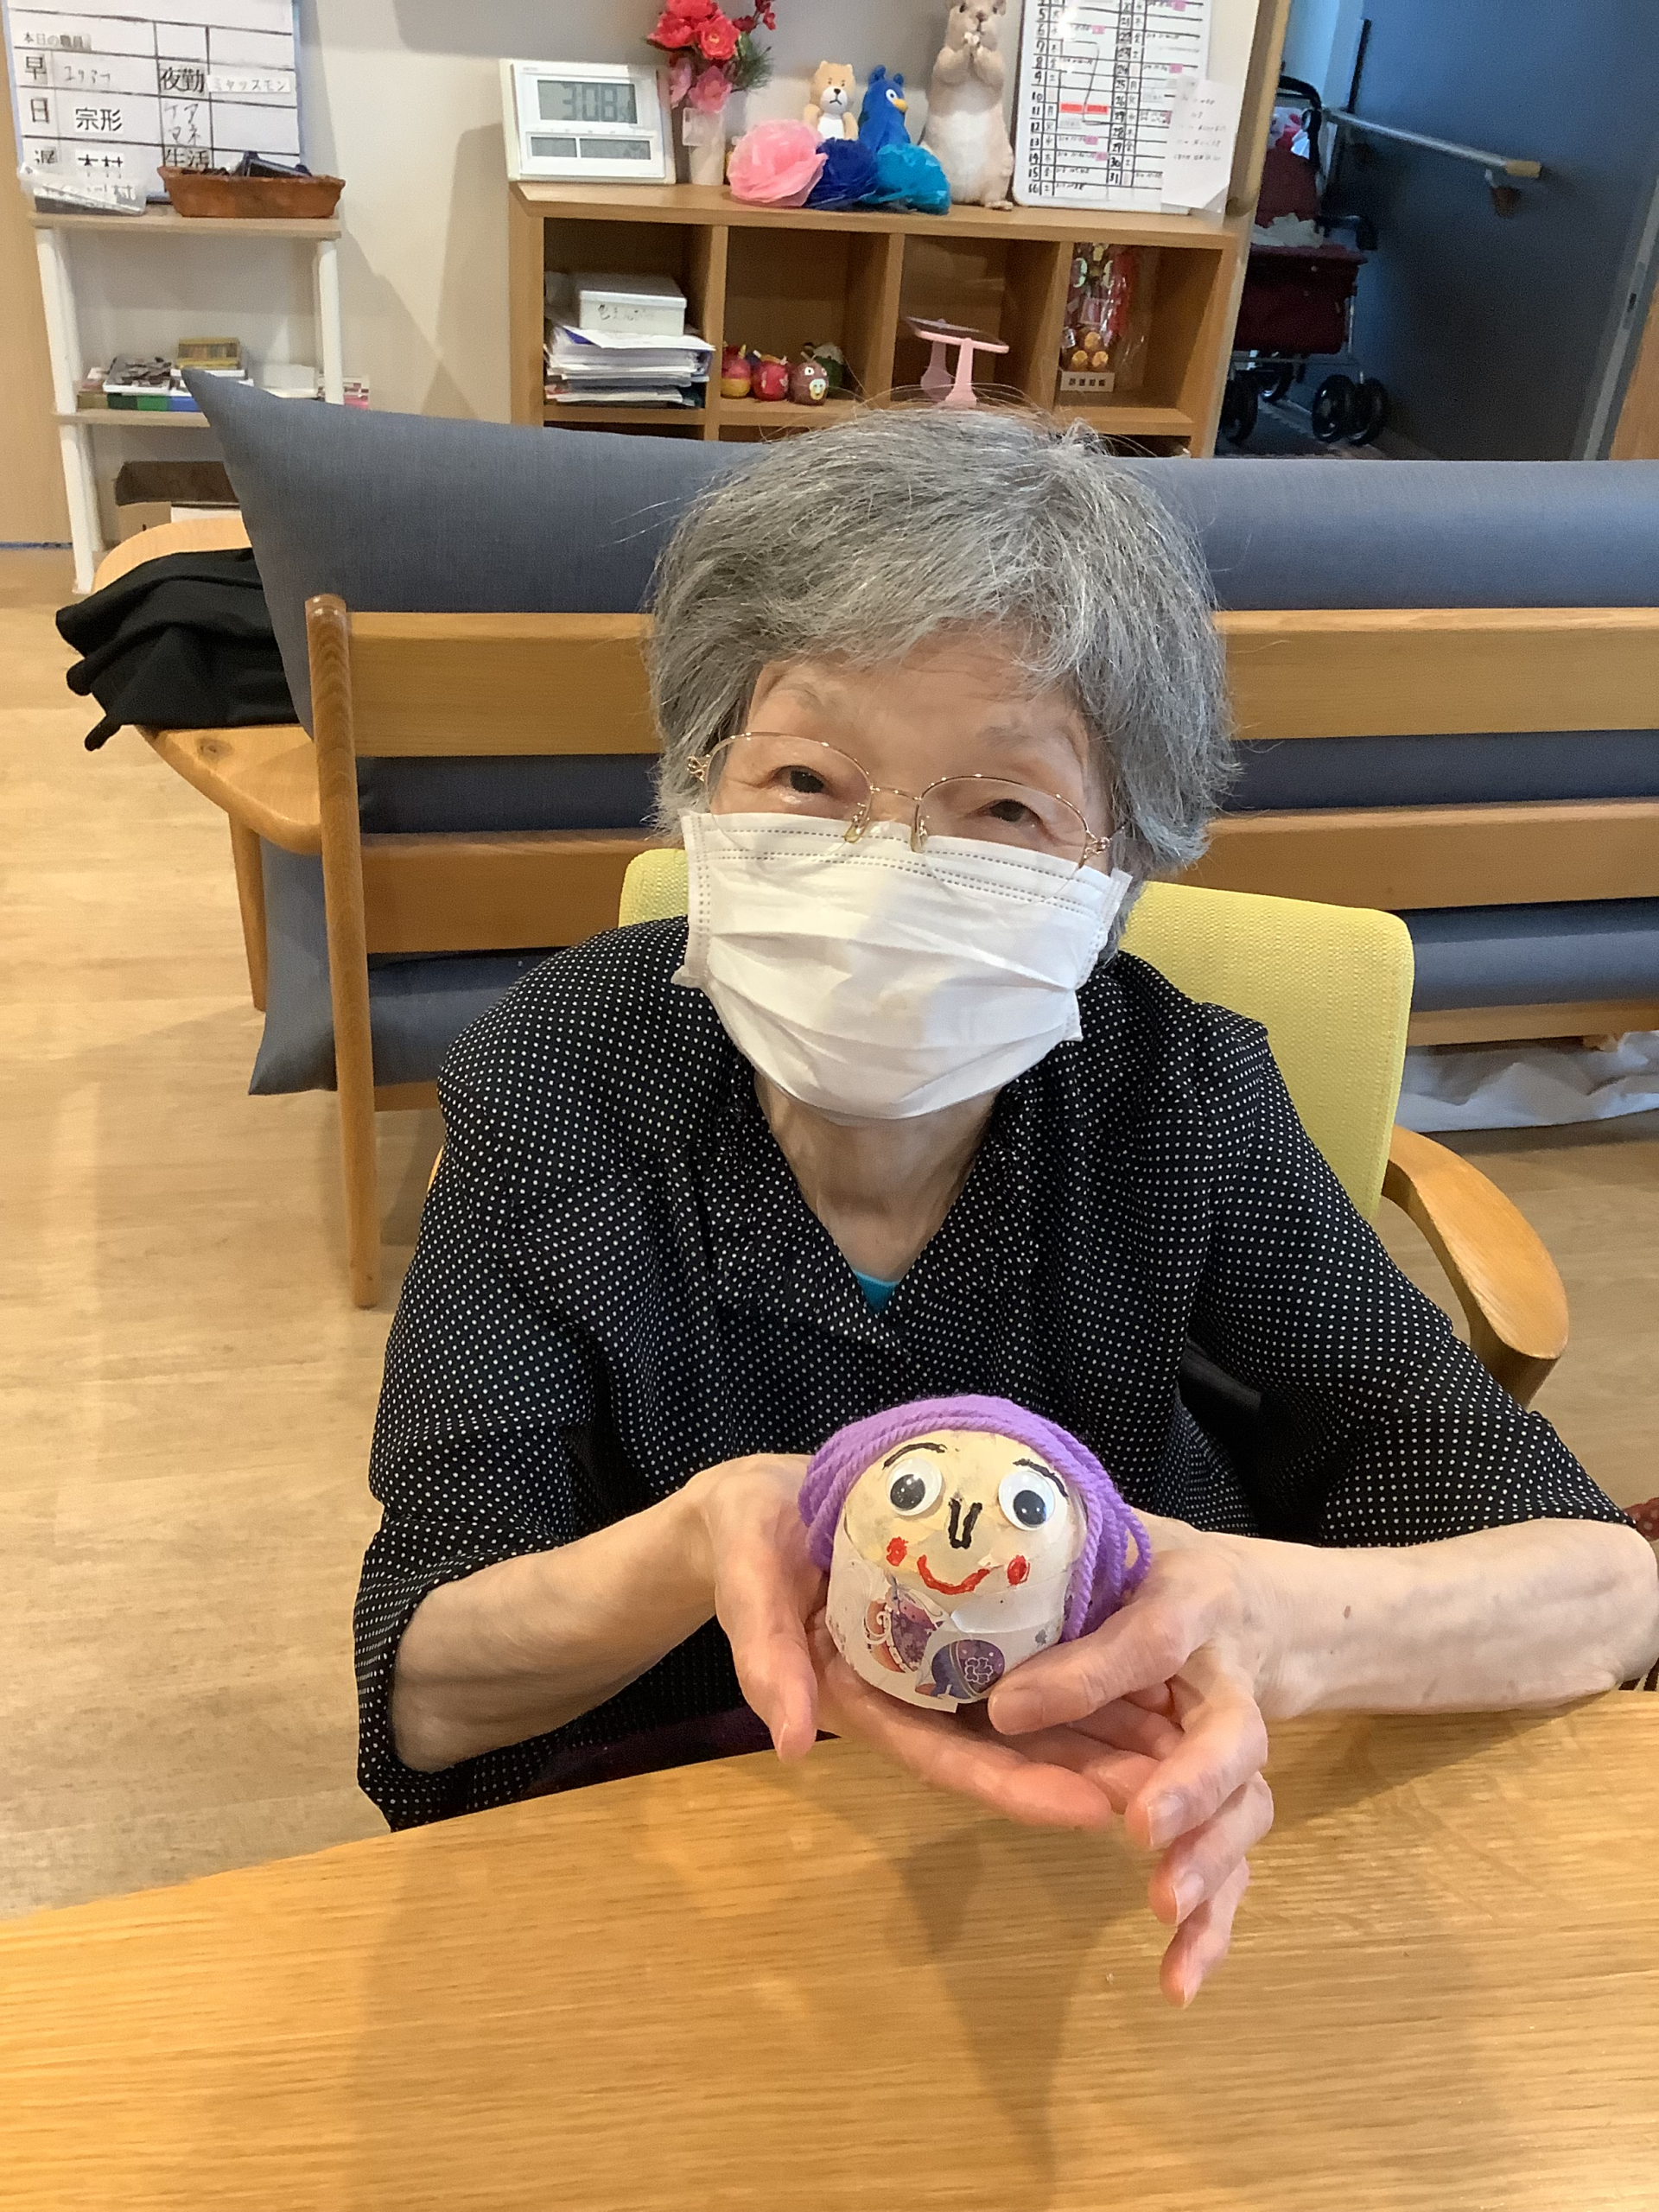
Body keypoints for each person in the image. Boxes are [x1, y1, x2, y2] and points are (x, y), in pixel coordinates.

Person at [357, 410, 1659, 2005]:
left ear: (1119, 871)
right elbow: (426, 1686)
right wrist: (694, 1545)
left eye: (1005, 811)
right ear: (700, 786)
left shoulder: (1176, 1098)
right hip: (707, 1854)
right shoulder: (554, 1084)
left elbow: (1605, 1588)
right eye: (808, 777)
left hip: (1111, 1845)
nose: (888, 871)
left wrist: (1276, 1619)